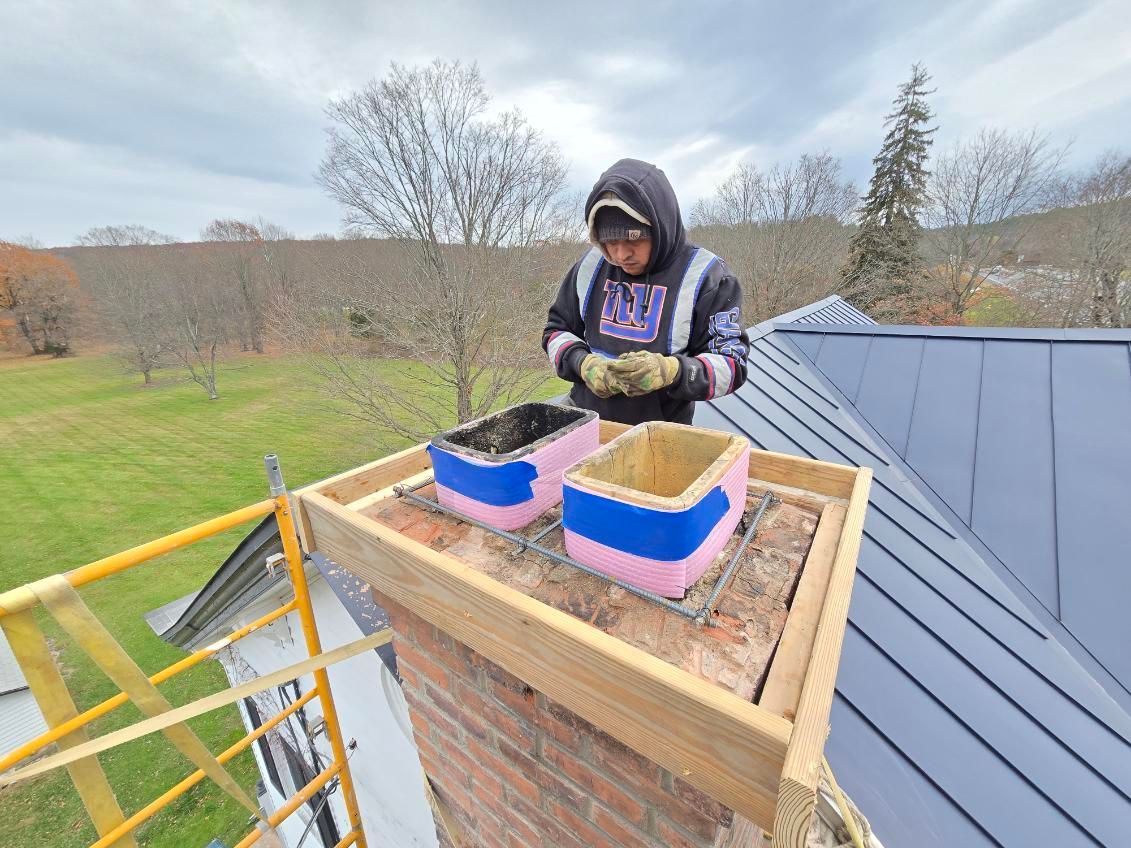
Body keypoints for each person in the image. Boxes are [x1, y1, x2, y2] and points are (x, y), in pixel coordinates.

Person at [543, 158, 750, 425]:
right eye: (609, 241)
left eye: (634, 238)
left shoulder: (706, 276)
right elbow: (555, 332)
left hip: (659, 432)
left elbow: (732, 367)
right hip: (587, 418)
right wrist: (583, 364)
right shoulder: (590, 266)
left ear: (660, 226)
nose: (620, 254)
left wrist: (672, 371)